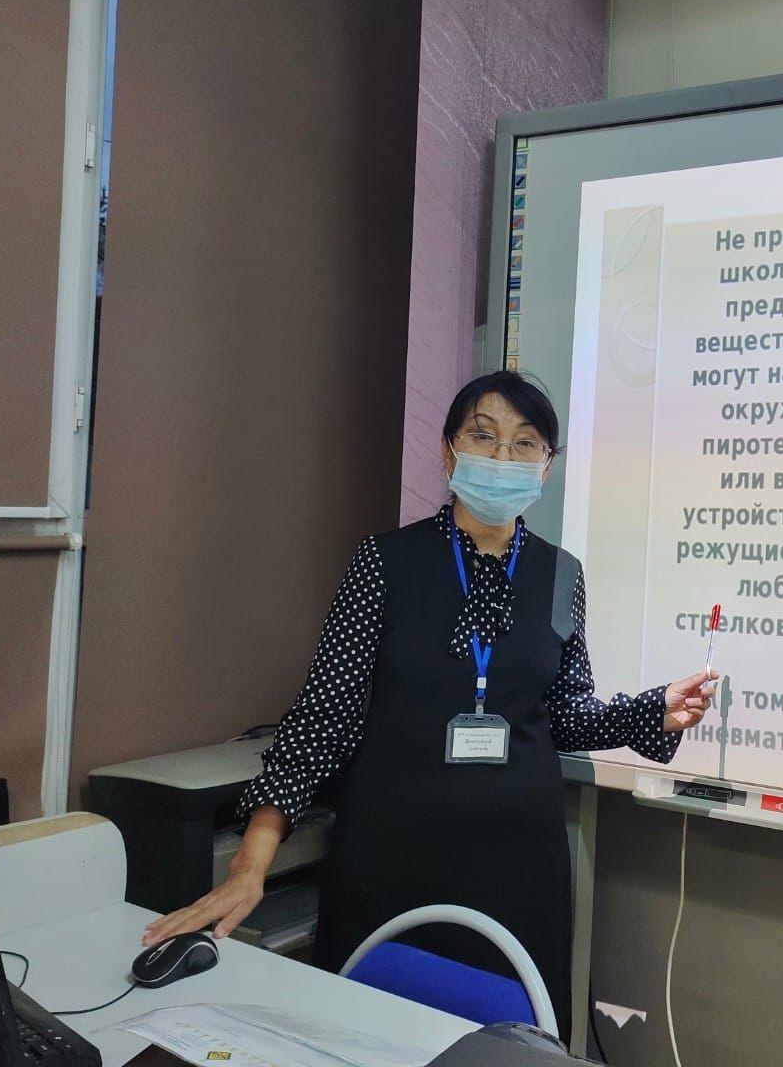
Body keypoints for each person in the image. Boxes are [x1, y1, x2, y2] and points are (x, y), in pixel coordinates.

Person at [141, 371, 716, 1034]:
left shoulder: (563, 574)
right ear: (448, 452)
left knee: (504, 1042)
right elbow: (322, 718)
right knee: (367, 1036)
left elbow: (564, 715)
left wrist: (652, 711)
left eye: (525, 444)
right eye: (483, 436)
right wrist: (250, 867)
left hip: (518, 865)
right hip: (392, 852)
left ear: (546, 466)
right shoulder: (384, 563)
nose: (502, 457)